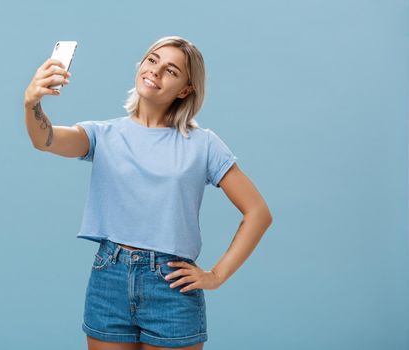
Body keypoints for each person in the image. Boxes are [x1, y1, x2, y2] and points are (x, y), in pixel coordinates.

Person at [24, 35, 273, 350]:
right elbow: (44, 140)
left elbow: (258, 213)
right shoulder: (103, 134)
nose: (156, 71)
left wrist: (216, 275)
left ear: (186, 89)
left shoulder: (203, 144)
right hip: (109, 278)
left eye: (171, 70)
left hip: (171, 285)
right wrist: (32, 103)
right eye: (153, 60)